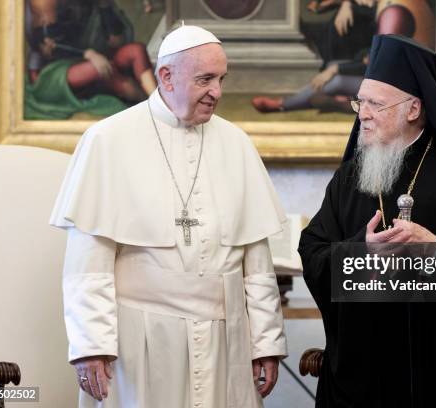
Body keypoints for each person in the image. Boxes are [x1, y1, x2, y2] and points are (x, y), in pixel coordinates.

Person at [50, 25, 287, 408]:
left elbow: (256, 261)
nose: (217, 92)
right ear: (166, 77)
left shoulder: (237, 144)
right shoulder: (107, 140)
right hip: (141, 337)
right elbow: (88, 261)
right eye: (205, 79)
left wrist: (267, 341)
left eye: (221, 79)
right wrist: (90, 343)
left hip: (225, 341)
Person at [298, 35, 436, 407]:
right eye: (360, 101)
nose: (362, 113)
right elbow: (313, 252)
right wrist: (359, 251)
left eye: (375, 104)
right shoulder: (350, 179)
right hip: (363, 378)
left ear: (414, 108)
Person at [252, 0, 435, 114]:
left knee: (337, 79)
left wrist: (335, 70)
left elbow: (378, 64)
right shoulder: (385, 5)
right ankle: (346, 101)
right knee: (335, 64)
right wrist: (346, 4)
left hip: (399, 86)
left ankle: (283, 105)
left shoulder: (393, 12)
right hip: (387, 75)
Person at [25, 0, 157, 119]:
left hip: (98, 57)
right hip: (53, 71)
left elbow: (116, 40)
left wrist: (105, 7)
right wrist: (87, 54)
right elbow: (47, 48)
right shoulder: (44, 2)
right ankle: (150, 108)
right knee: (104, 69)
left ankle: (156, 100)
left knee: (136, 50)